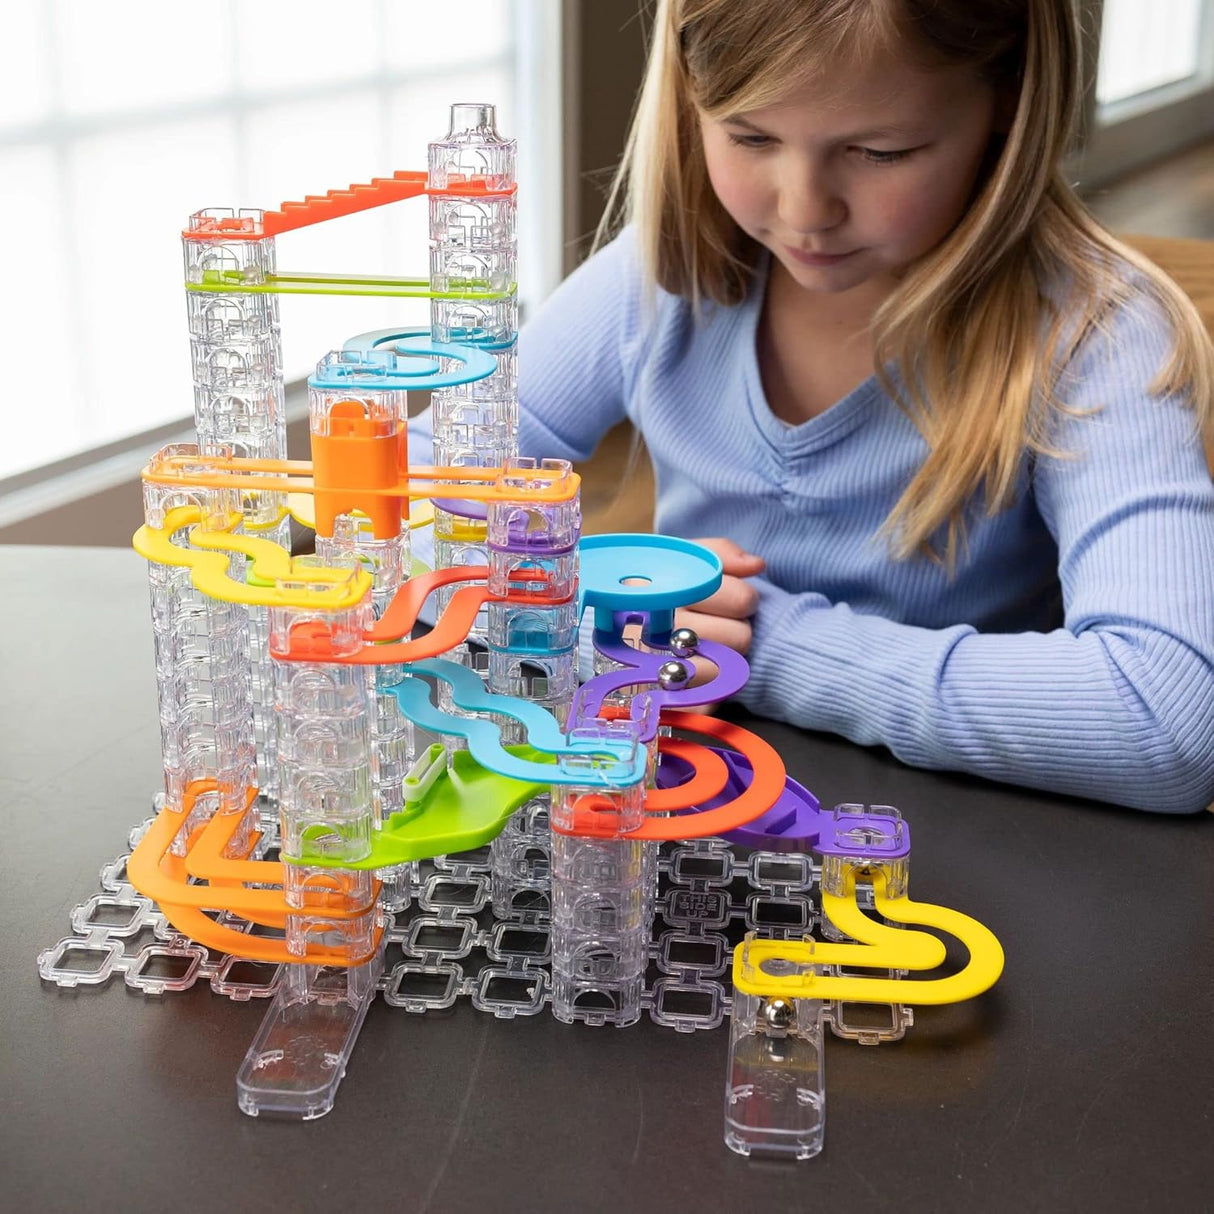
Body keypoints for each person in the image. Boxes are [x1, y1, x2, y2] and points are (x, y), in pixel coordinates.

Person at [413, 0, 1214, 813]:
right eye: (751, 137)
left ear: (1008, 95)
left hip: (955, 832)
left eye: (880, 151)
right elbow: (402, 515)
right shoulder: (652, 279)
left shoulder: (1095, 333)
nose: (804, 210)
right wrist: (585, 606)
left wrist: (762, 644)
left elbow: (1172, 716)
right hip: (672, 809)